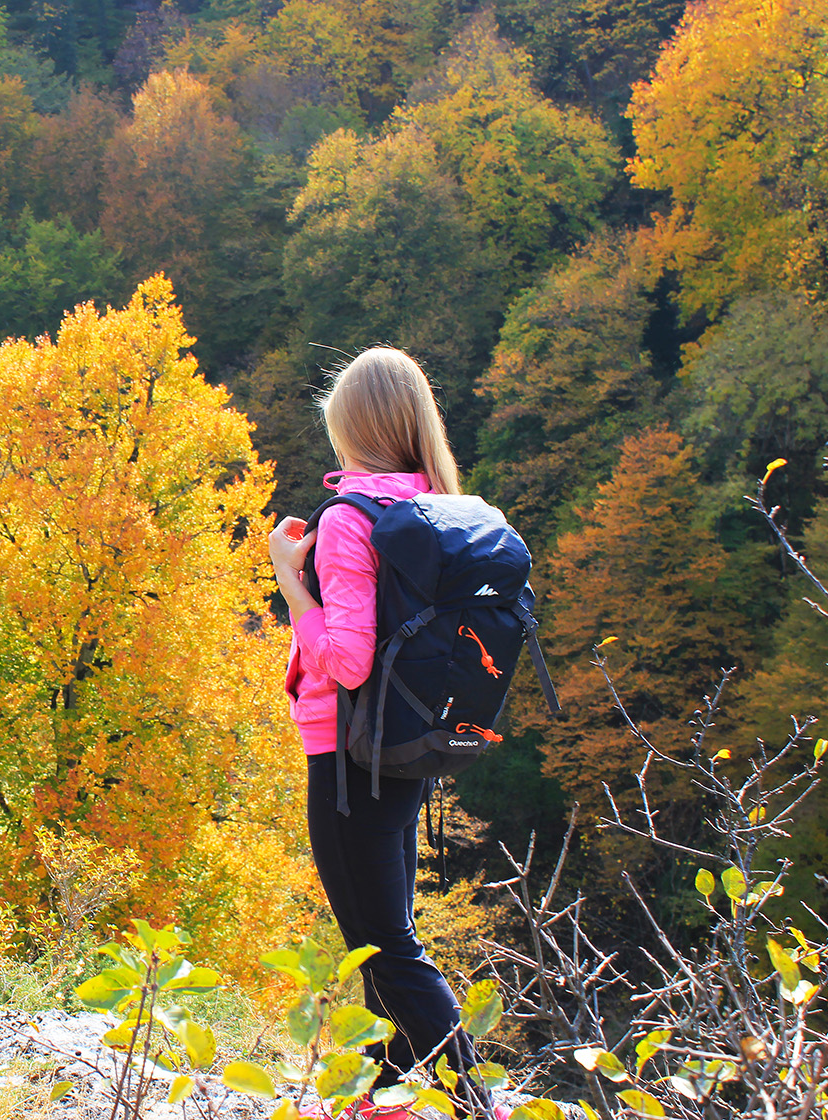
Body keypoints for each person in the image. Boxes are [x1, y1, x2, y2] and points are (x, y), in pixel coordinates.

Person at [267, 347, 495, 1118]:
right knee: (384, 929)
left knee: (381, 939)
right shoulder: (429, 509)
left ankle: (473, 1101)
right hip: (407, 744)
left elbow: (348, 658)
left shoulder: (348, 520)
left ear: (351, 430)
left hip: (347, 750)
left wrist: (291, 584)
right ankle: (389, 1093)